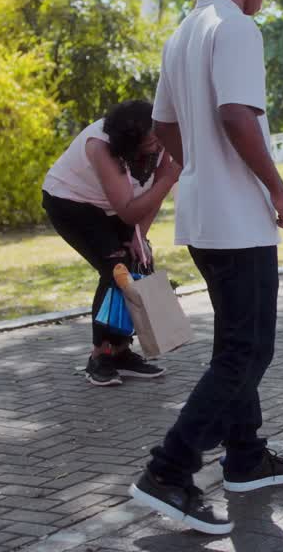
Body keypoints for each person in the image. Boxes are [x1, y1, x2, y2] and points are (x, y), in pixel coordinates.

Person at [129, 0, 283, 535]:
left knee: (235, 344)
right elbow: (236, 114)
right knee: (249, 350)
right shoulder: (236, 28)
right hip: (237, 218)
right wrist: (276, 189)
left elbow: (161, 125)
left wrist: (199, 165)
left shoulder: (183, 32)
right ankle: (169, 470)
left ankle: (247, 458)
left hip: (203, 216)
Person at [42, 100, 179, 386]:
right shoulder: (100, 146)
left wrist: (139, 236)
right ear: (128, 142)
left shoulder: (162, 133)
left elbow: (149, 200)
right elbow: (131, 207)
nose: (157, 145)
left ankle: (122, 352)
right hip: (71, 204)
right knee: (116, 270)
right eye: (150, 142)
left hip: (113, 206)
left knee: (137, 264)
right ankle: (100, 356)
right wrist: (167, 179)